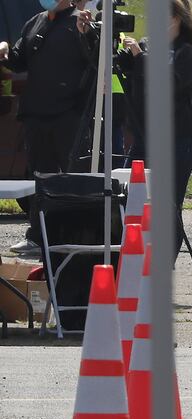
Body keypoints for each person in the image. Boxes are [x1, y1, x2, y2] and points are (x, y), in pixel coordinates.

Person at [0, 0, 96, 255]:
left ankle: (77, 236)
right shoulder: (36, 21)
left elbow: (96, 58)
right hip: (36, 115)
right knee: (41, 179)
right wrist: (5, 51)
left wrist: (87, 34)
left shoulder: (81, 22)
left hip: (69, 116)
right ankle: (38, 236)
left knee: (73, 179)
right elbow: (20, 61)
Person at [114, 0, 192, 260]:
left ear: (175, 18)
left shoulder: (188, 53)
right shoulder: (147, 46)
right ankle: (131, 258)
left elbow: (171, 83)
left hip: (178, 139)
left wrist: (140, 59)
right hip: (145, 136)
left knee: (167, 205)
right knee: (128, 195)